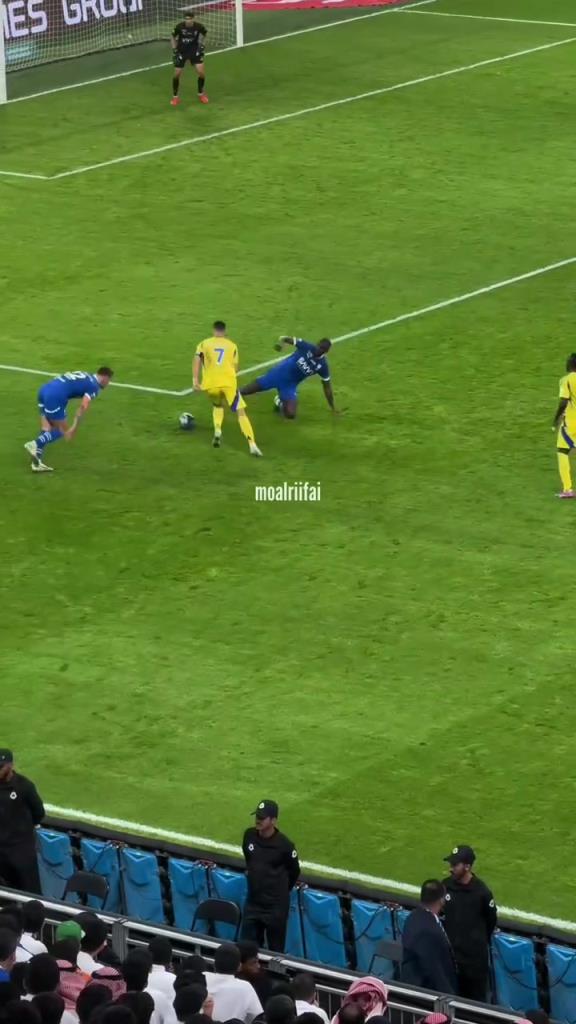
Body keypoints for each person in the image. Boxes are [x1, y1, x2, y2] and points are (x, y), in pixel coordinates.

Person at [25, 367, 114, 472]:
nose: (108, 384)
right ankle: (35, 443)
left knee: (46, 427)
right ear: (105, 378)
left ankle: (36, 463)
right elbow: (83, 406)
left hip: (44, 390)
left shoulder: (86, 374)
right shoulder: (94, 386)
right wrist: (74, 427)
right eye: (109, 380)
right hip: (56, 396)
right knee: (62, 431)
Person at [193, 321, 262, 456]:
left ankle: (218, 430)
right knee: (241, 413)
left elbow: (196, 359)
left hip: (211, 385)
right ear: (224, 331)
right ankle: (252, 443)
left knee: (217, 405)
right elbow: (236, 369)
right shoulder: (232, 345)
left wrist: (195, 379)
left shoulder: (204, 344)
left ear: (214, 330)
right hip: (228, 384)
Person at [240, 800, 300, 953]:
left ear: (273, 820)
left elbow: (294, 871)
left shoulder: (285, 845)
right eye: (257, 816)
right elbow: (249, 861)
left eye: (262, 817)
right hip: (253, 903)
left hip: (275, 908)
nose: (258, 820)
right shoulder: (249, 836)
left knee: (275, 952)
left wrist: (280, 892)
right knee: (246, 949)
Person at [442, 845, 497, 1002]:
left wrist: (476, 942)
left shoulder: (482, 892)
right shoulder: (446, 886)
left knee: (475, 1004)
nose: (451, 868)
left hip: (474, 963)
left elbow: (491, 920)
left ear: (467, 866)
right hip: (451, 958)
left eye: (455, 865)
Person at [240, 337, 337, 420]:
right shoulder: (306, 347)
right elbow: (286, 339)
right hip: (276, 375)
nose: (319, 350)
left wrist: (332, 407)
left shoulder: (322, 366)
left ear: (326, 351)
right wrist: (281, 345)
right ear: (317, 344)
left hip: (290, 386)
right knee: (243, 391)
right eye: (319, 347)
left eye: (323, 349)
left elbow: (327, 387)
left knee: (291, 415)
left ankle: (279, 401)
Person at [401, 881, 457, 994]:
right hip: (423, 992)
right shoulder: (430, 930)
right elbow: (434, 969)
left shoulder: (413, 917)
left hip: (411, 983)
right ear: (441, 900)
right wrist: (449, 995)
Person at [0, 750, 44, 894]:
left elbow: (39, 813)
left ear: (10, 765)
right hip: (1, 850)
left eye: (1, 767)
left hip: (21, 851)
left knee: (30, 892)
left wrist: (23, 830)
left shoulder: (24, 786)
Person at [205, 943, 262, 1024]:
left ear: (214, 964)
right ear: (239, 966)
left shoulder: (202, 977)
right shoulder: (245, 987)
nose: (258, 966)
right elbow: (258, 1018)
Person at [170, 10, 208, 106]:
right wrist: (174, 50)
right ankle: (175, 97)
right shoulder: (179, 27)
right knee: (177, 74)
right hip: (182, 52)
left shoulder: (199, 26)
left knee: (201, 73)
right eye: (186, 19)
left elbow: (205, 34)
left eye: (189, 19)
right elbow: (172, 37)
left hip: (194, 52)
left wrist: (202, 46)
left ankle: (201, 94)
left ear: (193, 19)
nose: (188, 21)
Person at [553, 353, 576, 497]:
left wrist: (555, 420)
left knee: (562, 451)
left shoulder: (566, 380)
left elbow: (563, 402)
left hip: (572, 422)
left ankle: (567, 489)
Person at [236, 942, 274, 1006]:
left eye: (258, 961)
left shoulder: (263, 983)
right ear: (239, 966)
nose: (258, 966)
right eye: (253, 963)